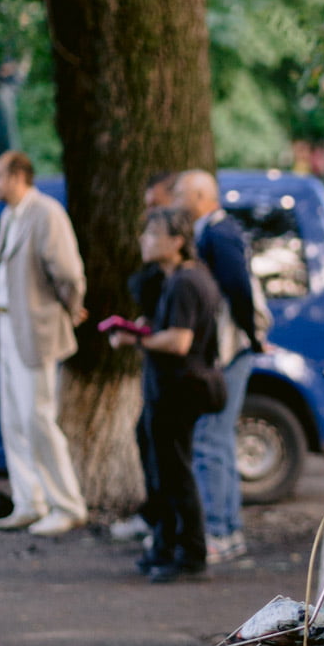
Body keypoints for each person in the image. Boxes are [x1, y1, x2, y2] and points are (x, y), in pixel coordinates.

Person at [108, 207, 220, 582]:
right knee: (166, 470)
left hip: (179, 388)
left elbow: (179, 340)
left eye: (154, 235)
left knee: (175, 472)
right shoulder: (179, 279)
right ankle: (167, 545)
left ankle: (189, 553)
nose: (144, 240)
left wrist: (134, 338)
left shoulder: (187, 281)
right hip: (171, 387)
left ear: (177, 242)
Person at [0, 150, 88, 536]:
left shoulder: (45, 212)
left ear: (17, 176)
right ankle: (28, 501)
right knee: (13, 419)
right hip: (8, 325)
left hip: (36, 327)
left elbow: (68, 272)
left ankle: (67, 504)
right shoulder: (9, 215)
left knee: (37, 417)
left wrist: (71, 308)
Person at [173, 170, 263, 564]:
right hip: (234, 347)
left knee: (211, 438)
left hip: (228, 350)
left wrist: (251, 334)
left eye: (180, 193)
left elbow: (238, 288)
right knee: (219, 438)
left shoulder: (219, 232)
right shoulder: (218, 229)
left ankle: (219, 532)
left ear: (199, 195)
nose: (175, 199)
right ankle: (229, 531)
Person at [110, 172, 181, 547]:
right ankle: (163, 527)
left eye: (155, 205)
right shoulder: (170, 278)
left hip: (178, 377)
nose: (146, 222)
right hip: (162, 370)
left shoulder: (185, 278)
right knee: (153, 440)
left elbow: (182, 339)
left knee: (171, 455)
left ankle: (175, 535)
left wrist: (145, 337)